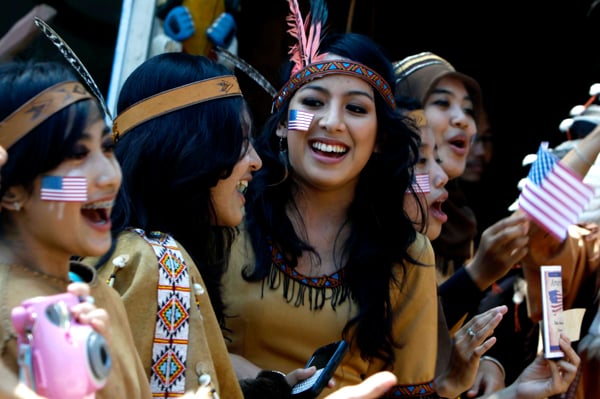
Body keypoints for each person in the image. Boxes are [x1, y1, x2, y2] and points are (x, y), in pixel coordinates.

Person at [81, 51, 400, 399]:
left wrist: (266, 390)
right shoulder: (163, 262)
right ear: (196, 149)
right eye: (240, 140)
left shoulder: (125, 248)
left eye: (355, 108)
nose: (256, 161)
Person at [221, 0, 441, 396]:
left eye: (356, 108)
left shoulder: (408, 253)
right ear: (284, 124)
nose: (332, 122)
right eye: (312, 102)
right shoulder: (225, 213)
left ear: (380, 140)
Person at [0, 60, 153, 398]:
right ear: (12, 190)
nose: (110, 176)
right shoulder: (11, 319)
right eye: (77, 153)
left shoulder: (99, 295)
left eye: (107, 148)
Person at [394, 52, 530, 396]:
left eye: (469, 110)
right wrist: (477, 275)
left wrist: (490, 360)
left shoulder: (456, 221)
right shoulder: (380, 226)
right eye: (443, 103)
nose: (465, 122)